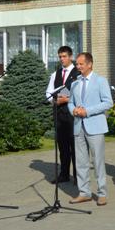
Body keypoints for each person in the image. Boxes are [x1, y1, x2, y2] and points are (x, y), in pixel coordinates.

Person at [68, 52, 113, 206]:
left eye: (81, 64)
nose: (78, 66)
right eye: (77, 64)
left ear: (90, 64)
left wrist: (87, 111)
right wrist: (73, 110)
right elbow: (70, 102)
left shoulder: (100, 81)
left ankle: (102, 193)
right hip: (78, 126)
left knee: (98, 161)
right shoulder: (75, 83)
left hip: (95, 126)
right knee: (81, 162)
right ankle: (84, 193)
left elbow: (108, 102)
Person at [45, 46, 80, 184]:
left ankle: (78, 177)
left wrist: (67, 99)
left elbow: (81, 93)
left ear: (70, 57)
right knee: (63, 146)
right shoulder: (56, 74)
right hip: (59, 114)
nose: (62, 59)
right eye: (60, 57)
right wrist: (54, 100)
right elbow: (49, 92)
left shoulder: (78, 73)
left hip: (73, 114)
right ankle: (64, 174)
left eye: (64, 56)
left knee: (75, 146)